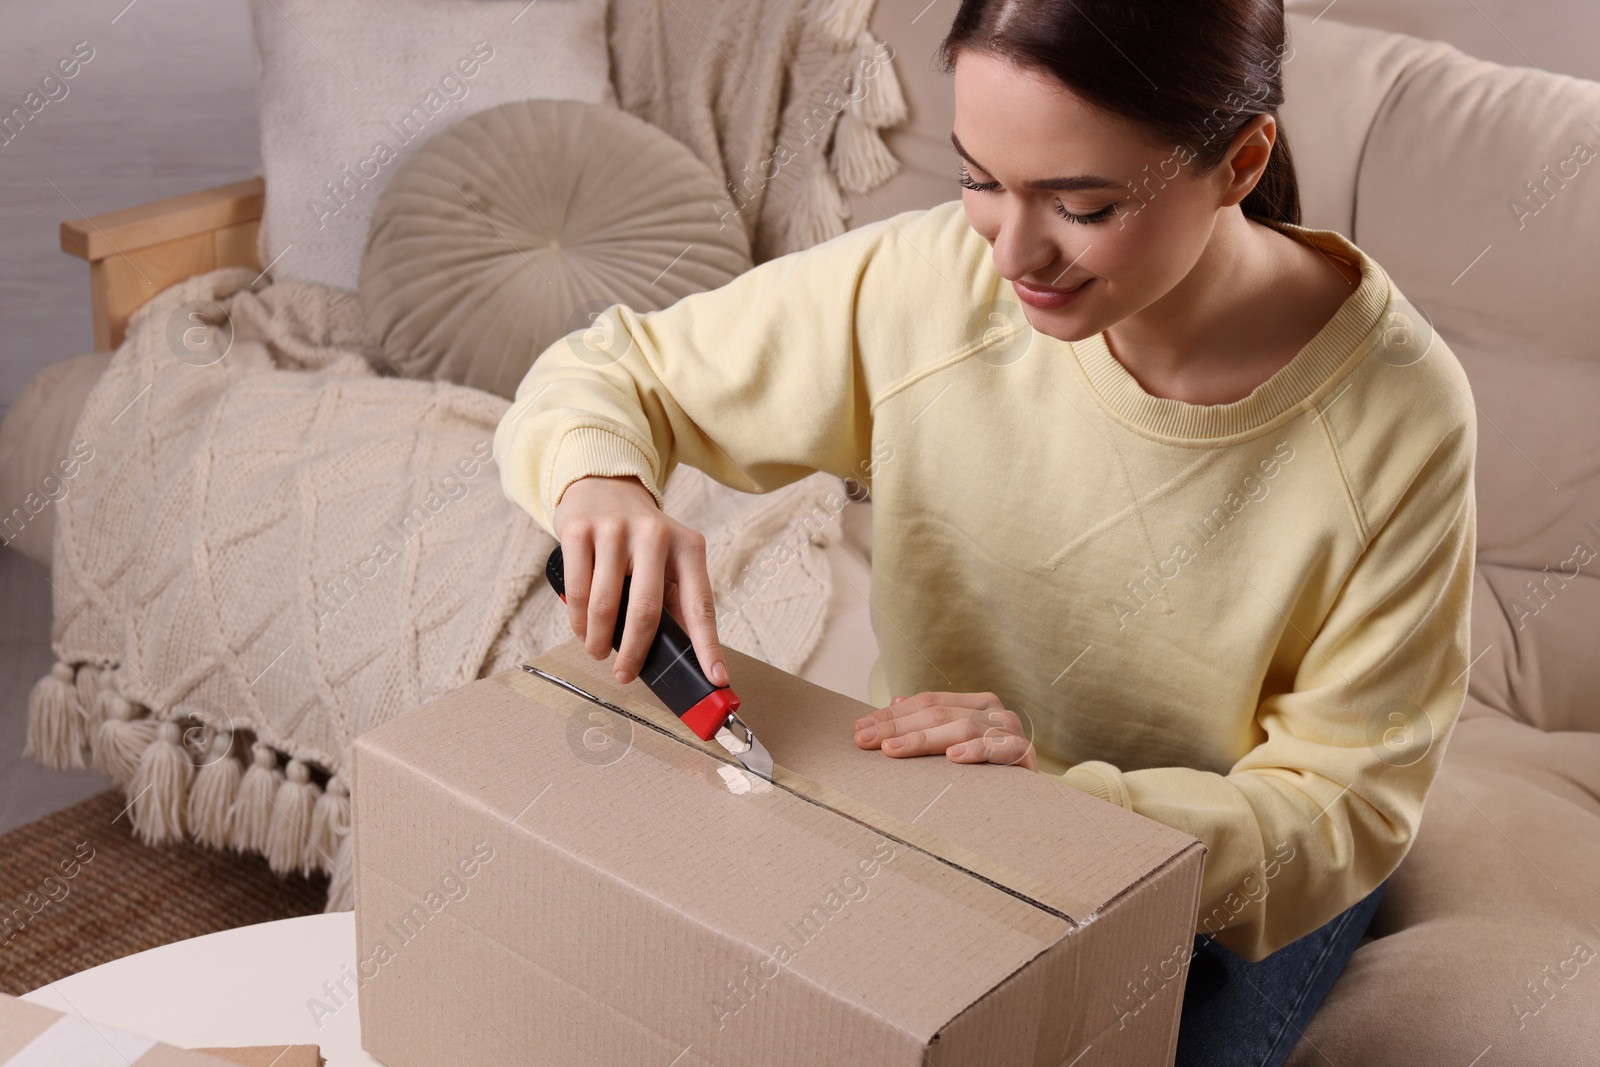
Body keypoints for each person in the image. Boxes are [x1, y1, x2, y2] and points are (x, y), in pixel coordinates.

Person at [493, 0, 1477, 1063]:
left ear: (1239, 162)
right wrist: (599, 481)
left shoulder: (1397, 416)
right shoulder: (931, 285)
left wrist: (1054, 804)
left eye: (1083, 205)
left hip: (1222, 885)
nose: (1016, 254)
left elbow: (1340, 808)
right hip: (941, 828)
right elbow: (615, 372)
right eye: (979, 179)